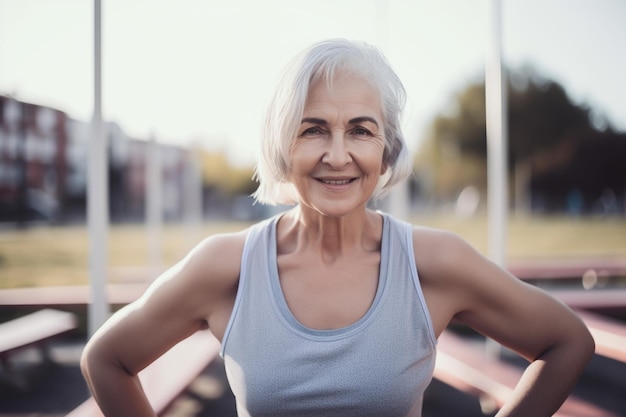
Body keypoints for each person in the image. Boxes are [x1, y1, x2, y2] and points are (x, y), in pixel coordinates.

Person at [81, 38, 595, 417]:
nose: (337, 154)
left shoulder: (432, 263)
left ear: (385, 146)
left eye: (360, 130)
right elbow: (107, 359)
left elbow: (566, 342)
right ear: (283, 145)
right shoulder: (228, 267)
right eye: (313, 129)